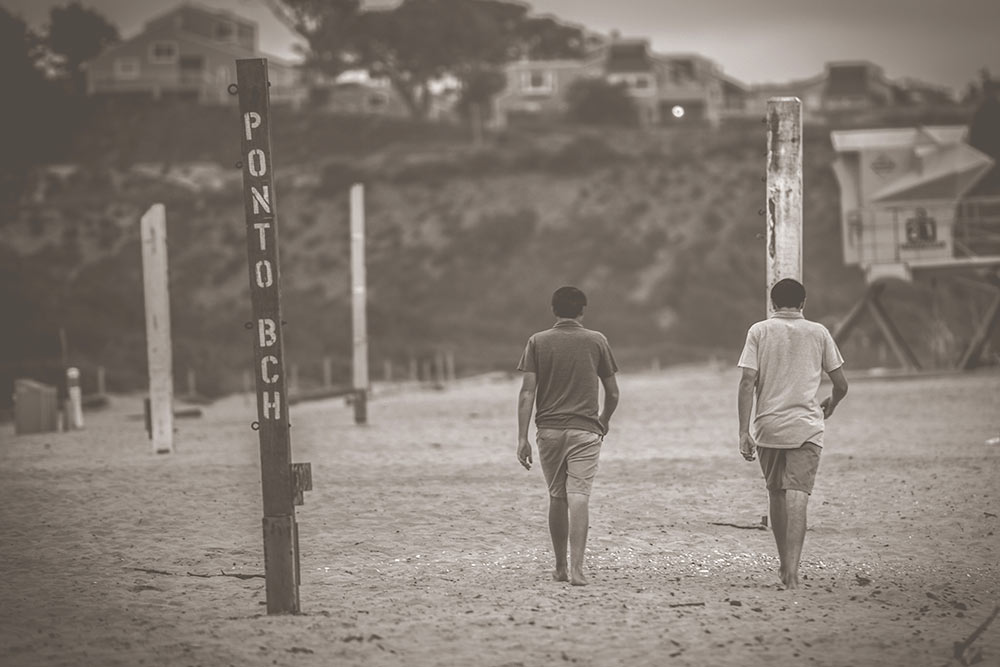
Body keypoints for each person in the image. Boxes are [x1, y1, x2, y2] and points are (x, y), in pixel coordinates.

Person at [737, 278, 848, 590]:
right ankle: (794, 572)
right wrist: (833, 403)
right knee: (798, 495)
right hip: (806, 428)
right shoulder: (819, 332)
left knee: (776, 493)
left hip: (768, 427)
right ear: (803, 303)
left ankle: (783, 564)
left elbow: (747, 381)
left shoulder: (758, 331)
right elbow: (841, 384)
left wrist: (743, 431)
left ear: (773, 303)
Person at [517, 286, 620, 586]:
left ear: (553, 310)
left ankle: (560, 567)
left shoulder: (537, 342)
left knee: (557, 495)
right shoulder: (597, 341)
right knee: (579, 496)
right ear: (582, 311)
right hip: (585, 430)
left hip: (548, 431)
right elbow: (612, 392)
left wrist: (522, 437)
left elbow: (527, 392)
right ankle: (577, 569)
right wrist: (604, 420)